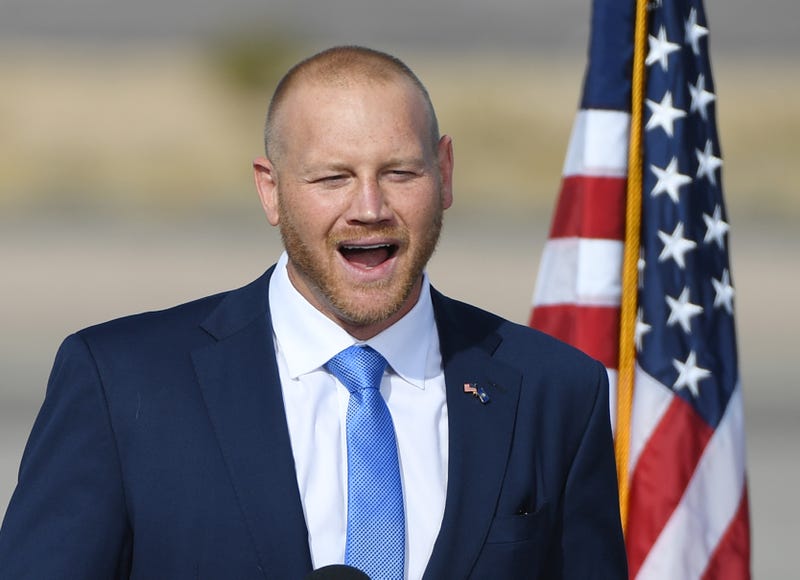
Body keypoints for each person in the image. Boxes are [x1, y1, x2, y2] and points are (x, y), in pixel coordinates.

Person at [0, 46, 627, 579]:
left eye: (400, 172)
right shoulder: (122, 384)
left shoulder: (555, 391)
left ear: (446, 173)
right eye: (333, 178)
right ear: (270, 190)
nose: (370, 207)